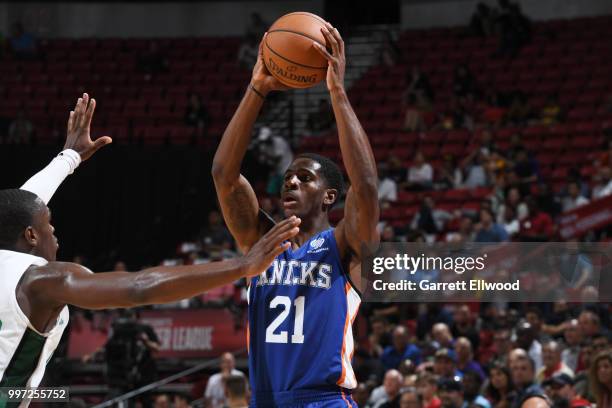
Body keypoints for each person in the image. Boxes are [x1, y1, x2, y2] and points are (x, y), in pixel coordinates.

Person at [0, 94, 300, 401]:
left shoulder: (11, 239)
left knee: (55, 397)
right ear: (31, 236)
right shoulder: (40, 282)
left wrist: (69, 158)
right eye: (48, 225)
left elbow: (24, 203)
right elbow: (139, 288)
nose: (55, 233)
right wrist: (242, 266)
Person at [211, 25, 379, 407]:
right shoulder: (261, 242)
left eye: (305, 178)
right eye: (288, 177)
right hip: (266, 399)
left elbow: (366, 186)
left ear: (329, 197)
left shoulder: (344, 244)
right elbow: (223, 175)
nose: (291, 183)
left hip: (323, 399)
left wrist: (337, 93)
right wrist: (257, 89)